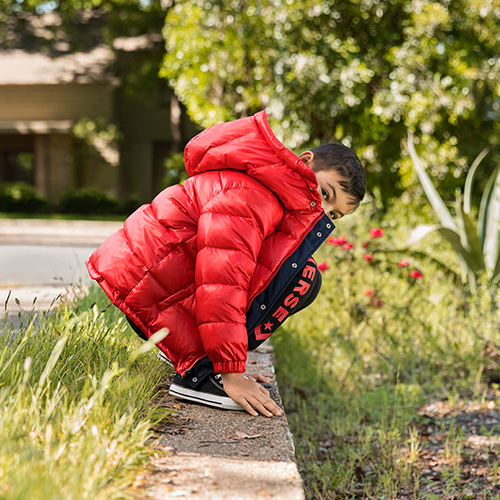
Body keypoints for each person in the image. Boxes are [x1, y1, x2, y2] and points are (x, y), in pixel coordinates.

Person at [86, 111, 366, 418]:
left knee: (302, 272)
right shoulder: (252, 196)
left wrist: (234, 366)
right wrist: (230, 373)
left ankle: (210, 362)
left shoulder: (268, 193)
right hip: (146, 282)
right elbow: (221, 282)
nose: (321, 210)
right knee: (303, 276)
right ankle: (200, 375)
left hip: (153, 279)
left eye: (332, 214)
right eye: (325, 193)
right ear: (306, 160)